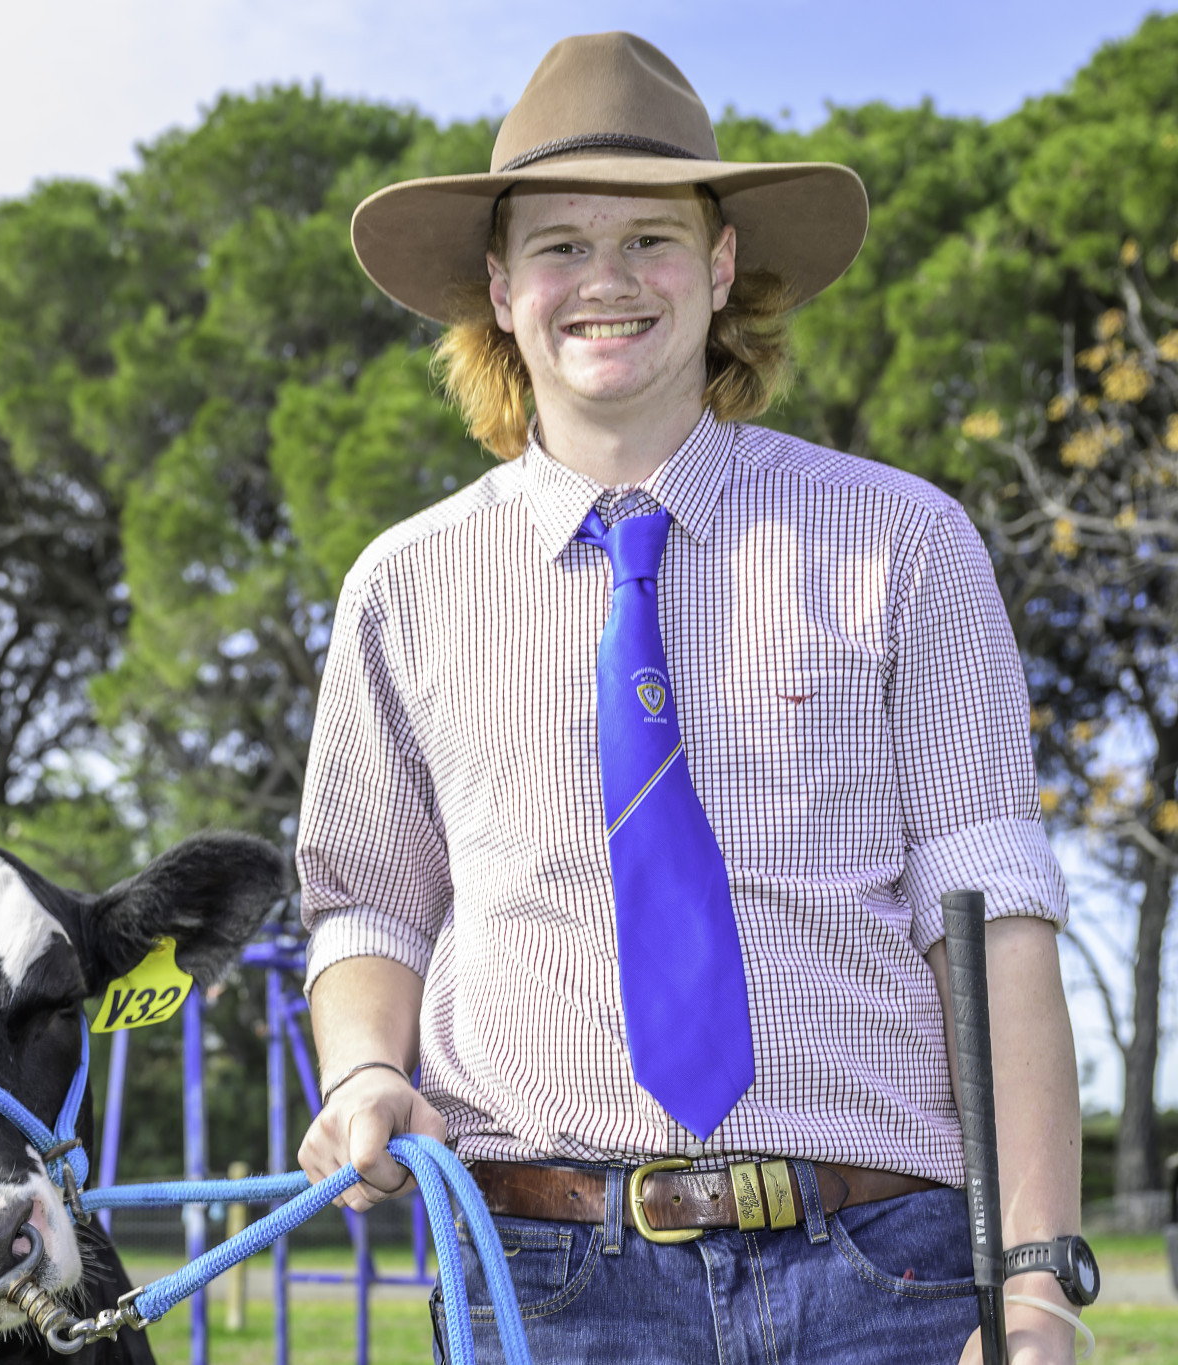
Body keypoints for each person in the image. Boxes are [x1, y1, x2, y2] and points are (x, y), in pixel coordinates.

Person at [294, 31, 1083, 1365]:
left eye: (651, 238)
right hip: (541, 1279)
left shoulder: (907, 544)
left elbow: (995, 919)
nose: (606, 280)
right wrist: (368, 1068)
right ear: (499, 286)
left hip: (888, 1276)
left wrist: (1038, 1285)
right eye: (557, 244)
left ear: (720, 267)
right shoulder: (402, 587)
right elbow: (369, 896)